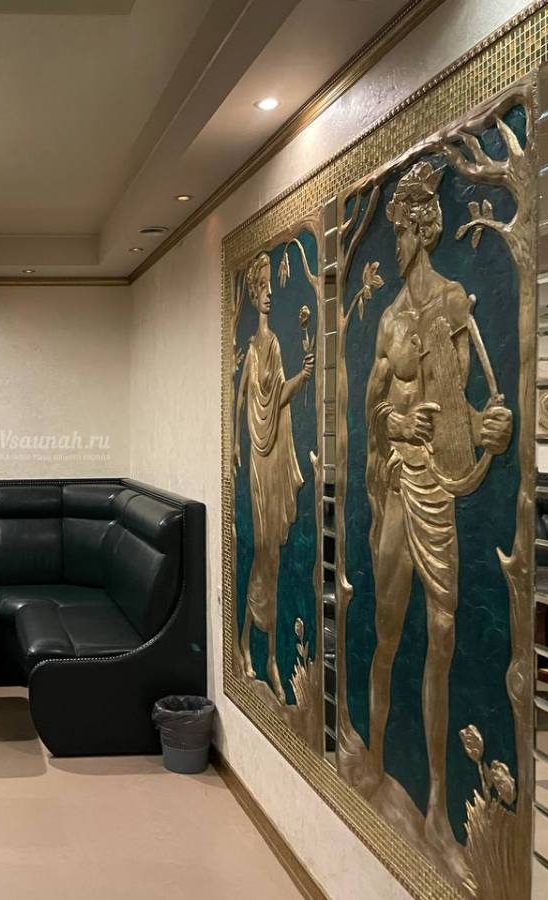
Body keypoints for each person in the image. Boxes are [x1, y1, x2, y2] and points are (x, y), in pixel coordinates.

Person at [363, 160, 512, 854]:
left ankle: (436, 802)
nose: (397, 242)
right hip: (399, 485)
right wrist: (397, 424)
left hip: (440, 489)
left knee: (444, 635)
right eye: (393, 229)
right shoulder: (390, 321)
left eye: (403, 230)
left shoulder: (454, 305)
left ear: (423, 229)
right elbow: (372, 412)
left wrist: (490, 430)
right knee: (388, 631)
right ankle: (372, 756)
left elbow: (462, 410)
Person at [234, 251, 314, 702]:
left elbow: (278, 395)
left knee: (274, 558)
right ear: (253, 293)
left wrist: (303, 376)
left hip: (274, 456)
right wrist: (235, 444)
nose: (268, 295)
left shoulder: (277, 345)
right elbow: (242, 398)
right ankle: (249, 641)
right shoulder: (251, 349)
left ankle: (266, 657)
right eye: (262, 288)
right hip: (257, 460)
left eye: (270, 288)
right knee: (263, 551)